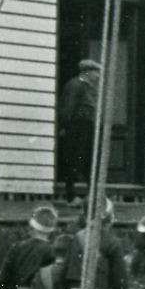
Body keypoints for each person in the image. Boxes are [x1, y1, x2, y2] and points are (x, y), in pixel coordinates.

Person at [56, 58, 101, 203]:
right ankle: (71, 195)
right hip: (76, 127)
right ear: (87, 72)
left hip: (87, 127)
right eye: (96, 72)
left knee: (88, 160)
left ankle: (91, 195)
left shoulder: (89, 87)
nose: (98, 76)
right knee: (73, 160)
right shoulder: (75, 85)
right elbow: (68, 108)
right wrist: (64, 126)